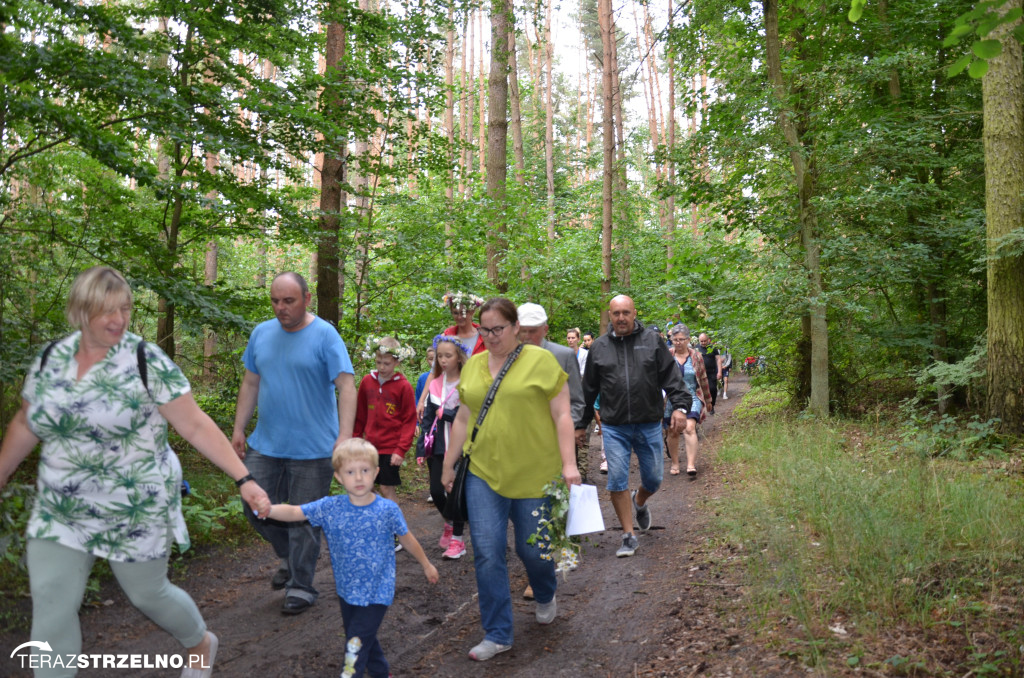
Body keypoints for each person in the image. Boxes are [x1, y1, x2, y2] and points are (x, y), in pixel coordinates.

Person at [0, 266, 272, 678]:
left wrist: (244, 479)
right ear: (80, 310)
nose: (118, 320)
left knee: (148, 594)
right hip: (63, 504)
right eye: (106, 310)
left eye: (124, 309)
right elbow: (26, 422)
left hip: (136, 502)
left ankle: (199, 643)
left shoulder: (145, 359)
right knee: (52, 599)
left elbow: (194, 424)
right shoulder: (51, 359)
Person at [441, 298, 581, 662]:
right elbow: (462, 417)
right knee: (487, 552)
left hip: (536, 474)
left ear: (516, 327)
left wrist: (570, 465)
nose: (490, 337)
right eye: (484, 330)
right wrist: (448, 464)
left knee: (533, 550)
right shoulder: (472, 365)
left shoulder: (541, 361)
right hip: (484, 473)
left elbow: (563, 415)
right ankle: (498, 633)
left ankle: (545, 589)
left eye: (497, 329)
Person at [232, 271, 357, 615]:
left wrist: (343, 438)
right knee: (255, 507)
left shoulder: (325, 335)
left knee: (304, 519)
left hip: (314, 448)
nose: (280, 308)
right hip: (266, 443)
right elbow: (251, 382)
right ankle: (289, 556)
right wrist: (239, 428)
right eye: (275, 300)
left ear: (307, 297)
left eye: (288, 301)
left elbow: (347, 386)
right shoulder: (261, 333)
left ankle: (301, 586)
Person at [265, 438, 438, 678]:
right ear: (338, 476)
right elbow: (296, 511)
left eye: (365, 470)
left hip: (377, 592)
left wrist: (427, 564)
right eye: (350, 472)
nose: (358, 478)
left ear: (376, 472)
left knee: (355, 645)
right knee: (358, 636)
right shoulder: (330, 507)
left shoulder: (387, 510)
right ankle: (380, 672)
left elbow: (407, 538)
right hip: (347, 590)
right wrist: (267, 509)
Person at [579, 295, 691, 558]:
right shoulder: (600, 347)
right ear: (610, 315)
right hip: (614, 425)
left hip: (648, 422)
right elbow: (588, 390)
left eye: (625, 313)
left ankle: (638, 501)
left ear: (634, 313)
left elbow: (671, 377)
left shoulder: (652, 342)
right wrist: (579, 425)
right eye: (616, 313)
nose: (621, 318)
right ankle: (628, 536)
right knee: (616, 479)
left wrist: (680, 407)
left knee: (654, 478)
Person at [517, 303, 586, 481]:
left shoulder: (563, 355)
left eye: (533, 330)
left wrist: (569, 429)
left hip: (557, 440)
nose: (527, 336)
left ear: (545, 329)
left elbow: (577, 400)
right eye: (523, 330)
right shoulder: (509, 356)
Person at [418, 334, 471, 559]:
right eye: (439, 356)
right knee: (437, 491)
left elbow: (469, 414)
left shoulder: (468, 383)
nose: (442, 360)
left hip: (460, 445)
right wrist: (422, 449)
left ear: (458, 358)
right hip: (438, 445)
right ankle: (449, 521)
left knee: (456, 492)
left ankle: (458, 541)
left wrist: (448, 413)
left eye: (448, 356)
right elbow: (428, 418)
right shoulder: (435, 384)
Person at [354, 336, 417, 512]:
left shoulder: (403, 387)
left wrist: (401, 449)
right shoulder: (367, 382)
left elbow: (409, 420)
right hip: (369, 447)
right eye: (378, 362)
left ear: (396, 362)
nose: (382, 367)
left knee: (386, 488)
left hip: (391, 448)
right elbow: (360, 415)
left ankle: (396, 532)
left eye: (387, 363)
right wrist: (356, 440)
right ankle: (376, 523)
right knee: (366, 486)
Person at [665, 325, 712, 478]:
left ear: (687, 340)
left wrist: (708, 399)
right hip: (671, 398)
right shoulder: (667, 355)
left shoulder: (696, 356)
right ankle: (675, 463)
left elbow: (703, 378)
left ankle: (691, 464)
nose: (678, 343)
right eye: (675, 340)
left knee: (689, 427)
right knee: (672, 430)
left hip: (692, 395)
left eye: (681, 340)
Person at [697, 333, 722, 412]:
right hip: (700, 373)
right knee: (700, 391)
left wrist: (720, 372)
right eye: (701, 341)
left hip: (711, 372)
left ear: (708, 340)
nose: (703, 343)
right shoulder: (696, 349)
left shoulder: (713, 348)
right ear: (699, 341)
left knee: (713, 389)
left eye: (705, 341)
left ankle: (712, 405)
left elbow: (718, 360)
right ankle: (701, 408)